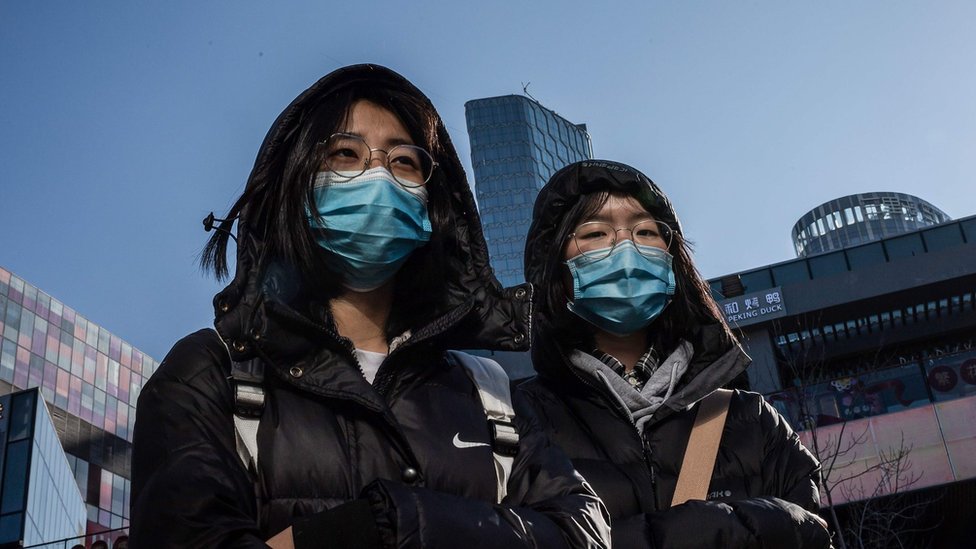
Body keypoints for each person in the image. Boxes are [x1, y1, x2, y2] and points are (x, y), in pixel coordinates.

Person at [129, 65, 610, 549]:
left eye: (404, 161)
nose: (377, 175)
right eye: (345, 153)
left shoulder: (491, 393)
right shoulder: (210, 374)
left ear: (432, 203)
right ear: (297, 187)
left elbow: (582, 530)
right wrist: (360, 531)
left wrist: (399, 522)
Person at [517, 160, 832, 548]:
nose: (626, 246)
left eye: (646, 230)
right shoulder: (516, 421)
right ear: (555, 269)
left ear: (673, 263)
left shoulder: (751, 420)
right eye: (596, 232)